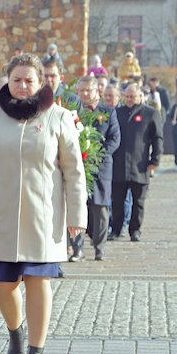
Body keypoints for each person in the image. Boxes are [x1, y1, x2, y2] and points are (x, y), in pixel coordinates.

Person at [0, 53, 87, 354]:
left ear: (41, 82)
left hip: (43, 216)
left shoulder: (57, 117)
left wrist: (77, 215)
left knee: (38, 282)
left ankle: (35, 353)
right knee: (4, 286)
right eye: (16, 79)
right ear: (7, 80)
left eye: (29, 80)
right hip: (0, 215)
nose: (22, 85)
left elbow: (74, 170)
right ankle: (15, 330)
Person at [68, 76, 120, 261]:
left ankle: (99, 247)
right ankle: (77, 249)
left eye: (87, 91)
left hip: (101, 167)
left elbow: (114, 138)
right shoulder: (73, 112)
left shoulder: (108, 112)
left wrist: (97, 155)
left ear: (96, 90)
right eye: (80, 91)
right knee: (77, 206)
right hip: (77, 166)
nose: (83, 94)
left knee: (101, 208)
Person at [109, 83, 163, 241]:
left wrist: (155, 160)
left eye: (133, 96)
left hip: (140, 165)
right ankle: (116, 229)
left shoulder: (150, 113)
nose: (130, 99)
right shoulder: (117, 113)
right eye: (127, 96)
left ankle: (135, 230)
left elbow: (157, 138)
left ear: (141, 96)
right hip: (118, 165)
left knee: (138, 202)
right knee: (117, 201)